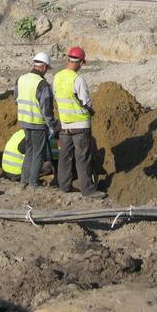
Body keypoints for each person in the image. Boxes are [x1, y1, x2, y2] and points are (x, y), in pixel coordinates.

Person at [53, 47, 107, 199]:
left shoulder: (57, 77)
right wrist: (90, 111)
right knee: (83, 157)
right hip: (80, 126)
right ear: (81, 62)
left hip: (64, 125)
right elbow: (86, 102)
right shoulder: (78, 80)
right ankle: (88, 190)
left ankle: (63, 186)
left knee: (64, 157)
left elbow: (57, 97)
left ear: (68, 59)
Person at [14, 52, 60, 189]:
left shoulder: (20, 79)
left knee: (29, 151)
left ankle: (24, 181)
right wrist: (54, 125)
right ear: (44, 67)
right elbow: (47, 109)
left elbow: (15, 99)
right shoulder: (42, 85)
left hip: (24, 122)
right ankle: (33, 183)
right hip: (38, 123)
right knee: (38, 154)